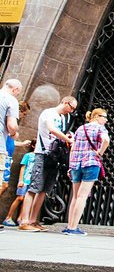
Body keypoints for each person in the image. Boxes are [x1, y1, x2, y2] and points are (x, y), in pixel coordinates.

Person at [18, 96, 77, 232]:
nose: (71, 111)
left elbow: (62, 133)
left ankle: (33, 220)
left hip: (54, 156)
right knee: (34, 187)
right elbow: (51, 128)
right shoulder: (48, 113)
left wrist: (69, 137)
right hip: (42, 153)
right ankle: (24, 220)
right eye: (71, 107)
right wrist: (67, 139)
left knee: (44, 189)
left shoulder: (63, 118)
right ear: (65, 102)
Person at [63, 108, 110, 236]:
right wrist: (100, 152)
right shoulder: (100, 128)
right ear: (96, 116)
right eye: (104, 117)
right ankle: (73, 228)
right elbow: (106, 140)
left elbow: (72, 147)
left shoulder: (80, 128)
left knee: (75, 196)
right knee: (82, 196)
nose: (106, 120)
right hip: (90, 163)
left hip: (76, 164)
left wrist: (70, 165)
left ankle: (69, 226)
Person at [1, 101, 32, 199]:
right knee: (3, 185)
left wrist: (22, 143)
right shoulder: (9, 124)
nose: (23, 117)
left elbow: (10, 141)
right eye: (24, 114)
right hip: (4, 155)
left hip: (8, 156)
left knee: (4, 185)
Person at [3, 139, 36, 227]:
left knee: (26, 199)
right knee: (20, 198)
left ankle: (20, 218)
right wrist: (21, 180)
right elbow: (23, 167)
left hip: (33, 181)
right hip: (25, 180)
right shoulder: (28, 155)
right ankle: (8, 217)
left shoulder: (40, 158)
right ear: (33, 146)